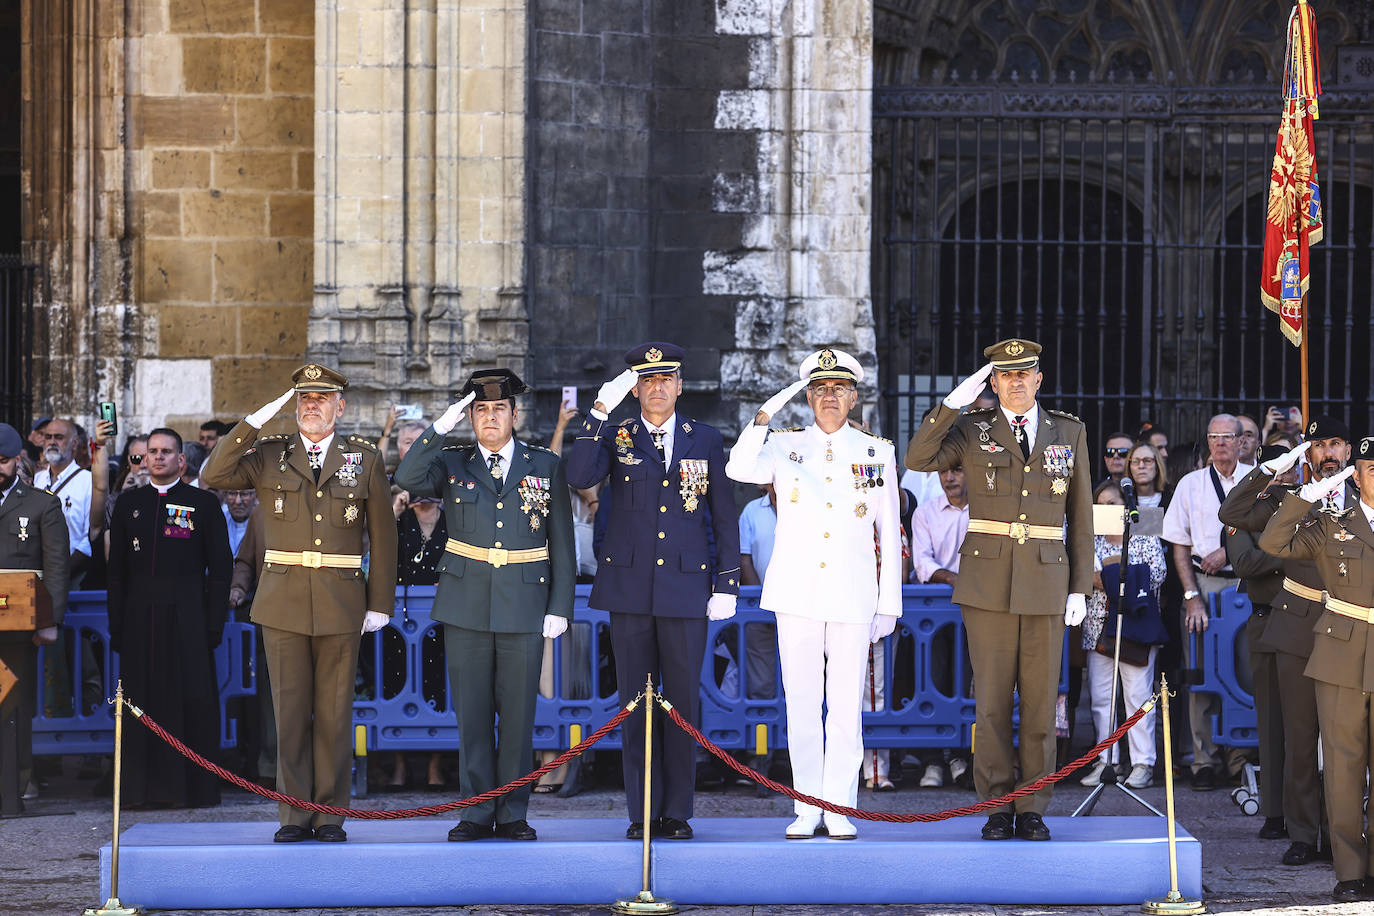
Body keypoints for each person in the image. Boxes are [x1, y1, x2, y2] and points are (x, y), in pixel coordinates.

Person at [200, 363, 398, 843]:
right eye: (304, 399)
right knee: (288, 715)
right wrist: (256, 420)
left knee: (333, 715)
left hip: (341, 599)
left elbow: (383, 535)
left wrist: (380, 603)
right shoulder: (270, 453)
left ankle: (330, 815)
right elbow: (214, 473)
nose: (312, 406)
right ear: (294, 406)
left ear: (340, 406)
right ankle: (293, 815)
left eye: (321, 399)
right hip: (283, 600)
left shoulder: (364, 458)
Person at [905, 338, 1093, 842]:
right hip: (987, 583)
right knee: (989, 703)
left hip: (1046, 581)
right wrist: (951, 405)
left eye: (1023, 373)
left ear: (1038, 380)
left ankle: (1032, 805)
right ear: (992, 383)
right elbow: (919, 456)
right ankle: (995, 805)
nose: (1014, 381)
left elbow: (1081, 517)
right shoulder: (972, 428)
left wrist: (1079, 586)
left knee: (1039, 702)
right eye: (1004, 375)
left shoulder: (1068, 432)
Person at [566, 342, 740, 841]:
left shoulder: (703, 438)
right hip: (630, 589)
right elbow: (580, 476)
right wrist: (599, 411)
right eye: (647, 380)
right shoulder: (617, 434)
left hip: (687, 587)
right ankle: (642, 811)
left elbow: (722, 514)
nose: (657, 387)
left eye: (666, 379)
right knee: (635, 705)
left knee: (682, 703)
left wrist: (725, 583)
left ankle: (678, 812)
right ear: (635, 388)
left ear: (680, 386)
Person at [727, 347, 900, 839]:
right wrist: (763, 416)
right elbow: (738, 468)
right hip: (797, 592)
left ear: (852, 397)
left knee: (846, 707)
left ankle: (839, 806)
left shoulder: (876, 451)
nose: (829, 397)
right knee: (802, 704)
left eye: (838, 389)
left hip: (851, 594)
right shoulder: (784, 445)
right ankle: (806, 805)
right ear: (807, 397)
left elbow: (888, 533)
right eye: (820, 389)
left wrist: (888, 602)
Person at [394, 369, 574, 841]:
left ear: (515, 415)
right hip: (467, 603)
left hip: (525, 603)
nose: (489, 418)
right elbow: (407, 476)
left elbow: (562, 542)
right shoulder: (453, 461)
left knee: (517, 718)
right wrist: (439, 427)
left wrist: (560, 606)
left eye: (498, 409)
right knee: (472, 715)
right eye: (479, 410)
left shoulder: (544, 464)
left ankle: (513, 812)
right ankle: (475, 812)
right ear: (469, 417)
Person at [1221, 421, 1353, 863]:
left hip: (1348, 627)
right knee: (1299, 737)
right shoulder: (1283, 499)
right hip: (1297, 625)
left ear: (1349, 449)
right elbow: (1233, 513)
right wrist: (1270, 469)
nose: (1327, 452)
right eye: (1317, 446)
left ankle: (1342, 836)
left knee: (1344, 742)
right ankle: (1302, 834)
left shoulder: (1363, 499)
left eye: (1335, 443)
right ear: (1307, 454)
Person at [1257, 445, 1374, 904]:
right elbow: (1271, 542)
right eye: (1371, 469)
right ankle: (1349, 870)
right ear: (1356, 477)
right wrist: (1304, 497)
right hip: (1342, 652)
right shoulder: (1333, 524)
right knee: (1343, 768)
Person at [107, 428, 232, 808]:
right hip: (139, 622)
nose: (158, 457)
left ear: (181, 459)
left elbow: (221, 568)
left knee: (191, 702)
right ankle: (141, 791)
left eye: (167, 452)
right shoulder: (128, 505)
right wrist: (118, 627)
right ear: (144, 458)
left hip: (189, 620)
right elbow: (117, 573)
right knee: (141, 704)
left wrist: (212, 624)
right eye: (152, 452)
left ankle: (194, 790)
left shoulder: (204, 505)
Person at [1161, 413, 1255, 791]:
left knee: (1245, 672)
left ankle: (1240, 755)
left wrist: (1229, 550)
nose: (1220, 443)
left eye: (1227, 437)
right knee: (1201, 671)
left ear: (1240, 440)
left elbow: (1267, 533)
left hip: (1247, 585)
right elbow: (1179, 546)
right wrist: (1190, 598)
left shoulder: (1256, 479)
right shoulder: (1190, 484)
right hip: (1204, 584)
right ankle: (1203, 759)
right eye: (1214, 437)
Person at [1221, 443, 1294, 845]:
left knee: (1309, 724)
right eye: (1277, 469)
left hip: (1309, 621)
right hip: (1267, 619)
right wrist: (1293, 555)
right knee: (1271, 721)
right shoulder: (1250, 511)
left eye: (1290, 468)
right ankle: (1274, 810)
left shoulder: (1305, 504)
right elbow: (1244, 564)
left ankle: (1310, 808)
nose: (1285, 475)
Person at [1079, 481, 1167, 789]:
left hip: (1136, 626)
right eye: (1101, 503)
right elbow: (1080, 575)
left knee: (1137, 696)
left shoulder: (1143, 530)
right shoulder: (1090, 538)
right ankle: (1107, 761)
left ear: (1126, 505)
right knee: (1102, 698)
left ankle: (1143, 762)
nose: (1107, 508)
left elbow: (1156, 573)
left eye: (1114, 502)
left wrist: (1107, 578)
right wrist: (1125, 577)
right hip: (1097, 626)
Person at [0, 423, 68, 815]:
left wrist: (50, 620)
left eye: (5, 461)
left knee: (14, 707)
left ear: (18, 460)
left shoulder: (41, 504)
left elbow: (55, 566)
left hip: (19, 625)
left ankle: (15, 788)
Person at [907, 463, 973, 789]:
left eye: (957, 470)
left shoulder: (985, 509)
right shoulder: (925, 512)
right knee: (933, 681)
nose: (949, 477)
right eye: (944, 471)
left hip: (976, 608)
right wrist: (953, 578)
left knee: (968, 683)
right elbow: (922, 562)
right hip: (934, 613)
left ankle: (962, 757)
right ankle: (932, 760)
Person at [33, 418, 93, 582]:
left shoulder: (88, 482)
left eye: (58, 437)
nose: (52, 442)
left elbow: (90, 538)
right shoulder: (37, 480)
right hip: (37, 575)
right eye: (48, 437)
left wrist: (62, 572)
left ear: (74, 443)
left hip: (72, 576)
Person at [221, 488, 258, 557]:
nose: (238, 501)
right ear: (225, 496)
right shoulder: (218, 523)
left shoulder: (262, 526)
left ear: (256, 496)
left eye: (245, 494)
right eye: (232, 493)